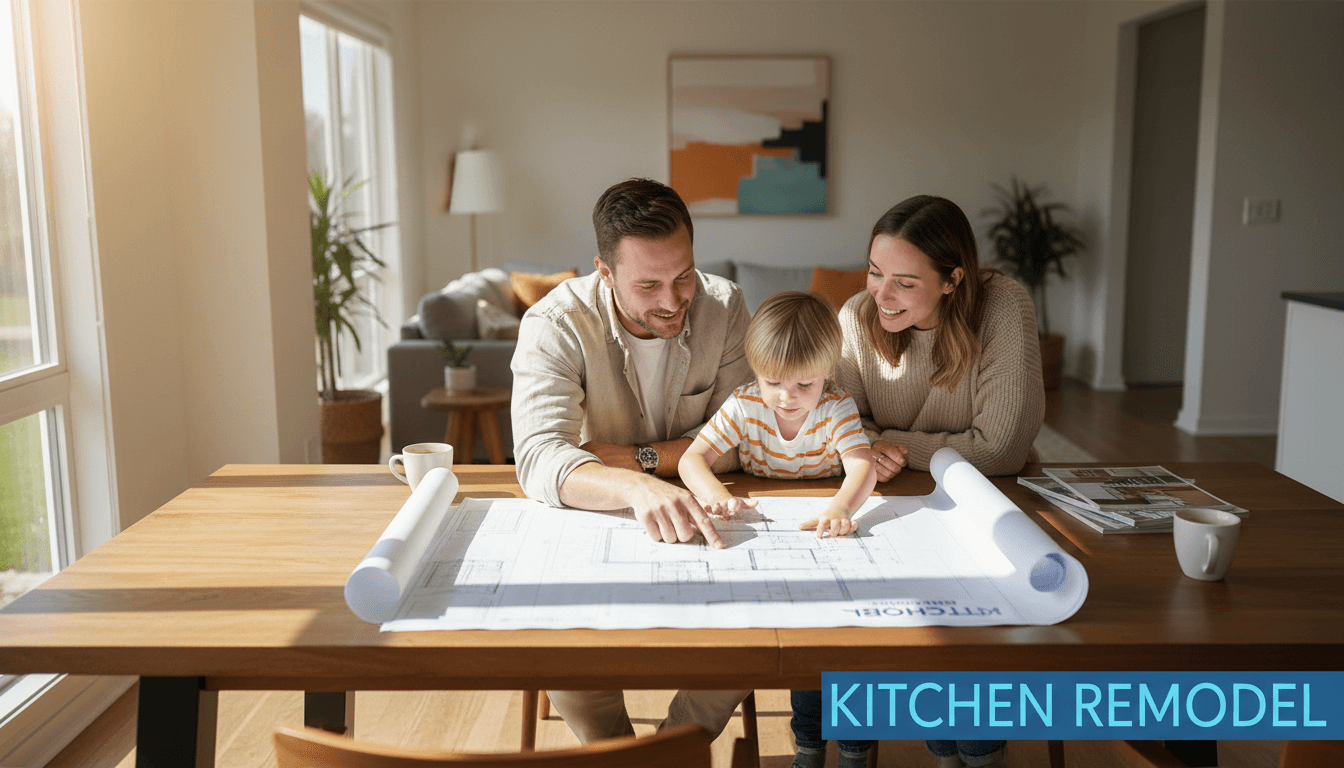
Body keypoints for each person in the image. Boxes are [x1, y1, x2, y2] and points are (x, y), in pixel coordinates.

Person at [510, 178, 753, 744]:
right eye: (648, 285)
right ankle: (622, 756)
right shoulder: (554, 323)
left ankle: (668, 752)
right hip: (596, 521)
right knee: (564, 655)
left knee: (756, 639)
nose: (672, 300)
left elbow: (742, 437)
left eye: (684, 276)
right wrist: (638, 488)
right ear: (604, 271)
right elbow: (540, 456)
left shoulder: (724, 306)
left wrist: (635, 462)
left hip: (705, 519)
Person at [835, 195, 1043, 768]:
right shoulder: (856, 317)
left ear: (953, 280)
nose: (881, 295)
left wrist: (891, 441)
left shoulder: (1002, 307)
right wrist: (873, 442)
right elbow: (842, 426)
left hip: (991, 500)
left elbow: (1000, 449)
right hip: (891, 498)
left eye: (904, 282)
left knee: (967, 627)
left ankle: (970, 750)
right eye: (874, 273)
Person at [678, 290, 877, 768]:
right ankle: (809, 742)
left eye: (805, 384)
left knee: (843, 638)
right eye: (773, 382)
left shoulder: (836, 405)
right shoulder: (746, 403)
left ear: (827, 372)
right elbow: (692, 459)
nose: (787, 397)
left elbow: (863, 467)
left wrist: (841, 506)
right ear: (755, 370)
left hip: (823, 533)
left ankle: (852, 747)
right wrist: (716, 495)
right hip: (766, 534)